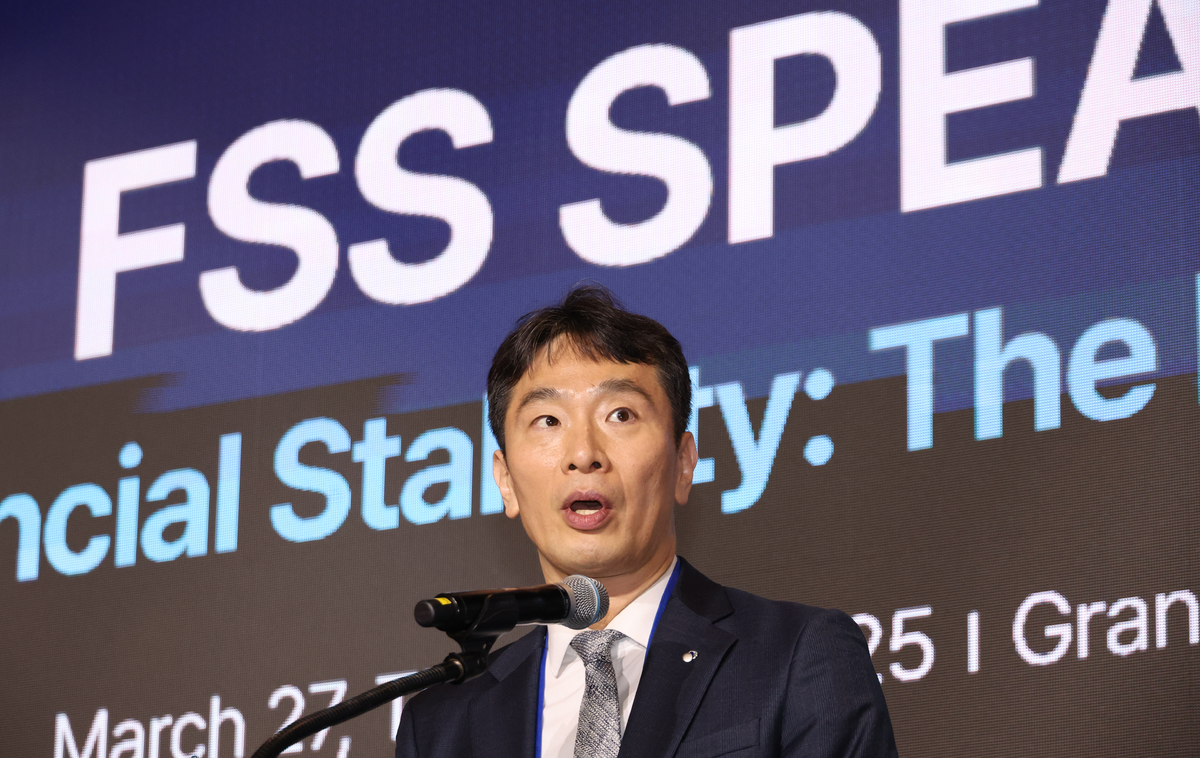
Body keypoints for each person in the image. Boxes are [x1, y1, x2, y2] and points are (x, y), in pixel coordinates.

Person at [396, 285, 898, 758]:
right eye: (548, 421)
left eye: (620, 415)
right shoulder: (443, 724)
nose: (583, 454)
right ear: (505, 481)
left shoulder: (797, 656)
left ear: (683, 463)